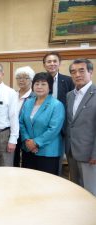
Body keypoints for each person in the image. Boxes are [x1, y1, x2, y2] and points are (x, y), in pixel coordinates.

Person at [19, 72, 65, 175]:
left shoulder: (56, 105)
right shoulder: (28, 102)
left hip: (47, 152)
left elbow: (53, 129)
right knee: (28, 182)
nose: (39, 87)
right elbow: (21, 123)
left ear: (50, 87)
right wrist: (27, 140)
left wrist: (35, 143)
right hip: (28, 150)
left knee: (46, 185)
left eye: (43, 84)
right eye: (36, 84)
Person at [65, 59, 96, 195]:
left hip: (90, 154)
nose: (77, 75)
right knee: (76, 190)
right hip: (71, 151)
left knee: (90, 191)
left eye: (81, 71)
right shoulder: (70, 95)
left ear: (91, 72)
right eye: (73, 72)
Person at [14, 66, 35, 167]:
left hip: (27, 134)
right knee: (14, 161)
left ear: (31, 79)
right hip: (13, 133)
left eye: (25, 77)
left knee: (27, 163)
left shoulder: (35, 96)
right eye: (18, 77)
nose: (21, 80)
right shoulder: (13, 94)